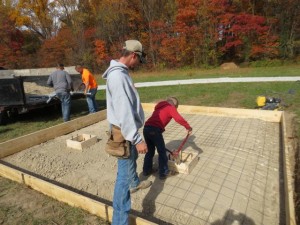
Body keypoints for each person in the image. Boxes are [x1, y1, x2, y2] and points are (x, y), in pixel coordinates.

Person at [102, 40, 151, 225]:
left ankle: (135, 183)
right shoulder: (119, 77)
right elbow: (124, 112)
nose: (138, 63)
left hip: (124, 131)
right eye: (138, 59)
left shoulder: (121, 74)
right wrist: (137, 139)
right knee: (122, 177)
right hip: (124, 132)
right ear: (133, 55)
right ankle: (120, 221)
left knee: (130, 161)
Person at [143, 97, 192, 180]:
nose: (175, 109)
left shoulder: (160, 106)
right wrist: (188, 127)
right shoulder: (170, 107)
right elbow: (178, 118)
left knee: (150, 151)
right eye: (176, 107)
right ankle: (163, 173)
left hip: (146, 129)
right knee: (162, 152)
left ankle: (147, 170)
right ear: (174, 104)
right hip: (155, 130)